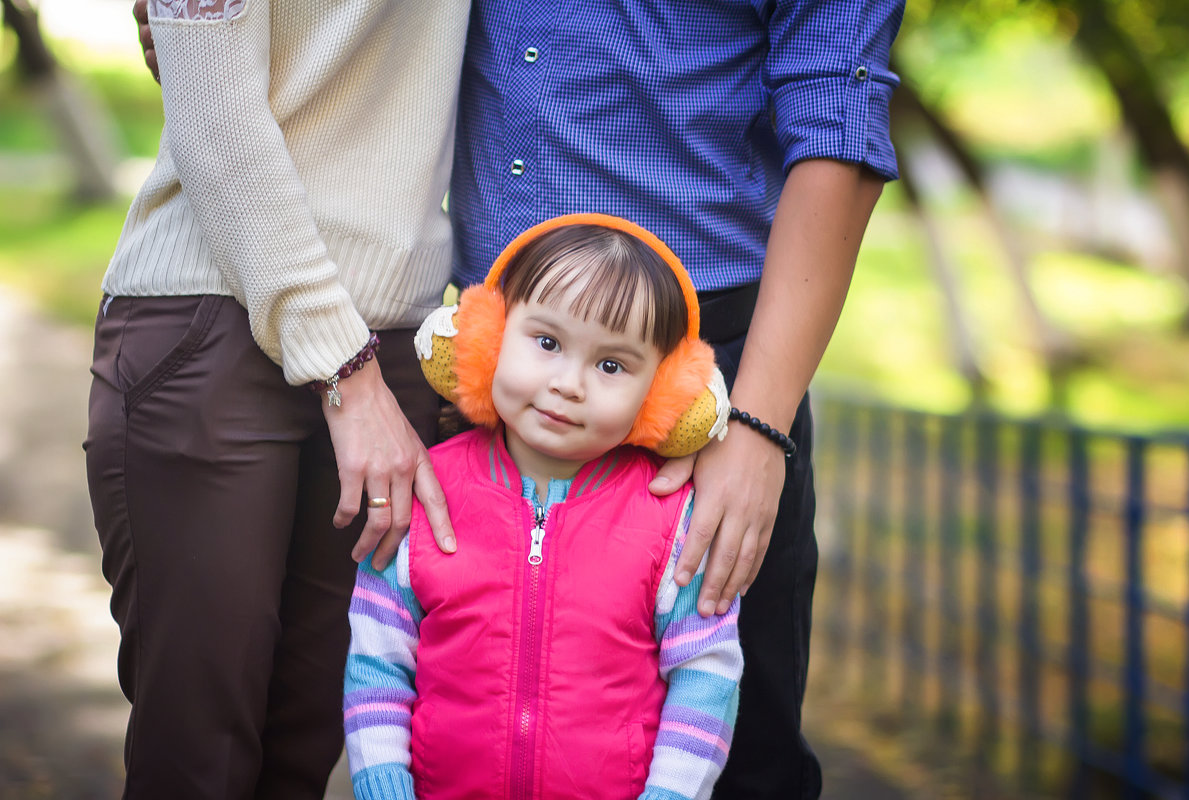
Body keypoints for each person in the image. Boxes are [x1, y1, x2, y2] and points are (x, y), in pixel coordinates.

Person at [448, 2, 905, 796]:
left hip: (707, 385)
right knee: (470, 731)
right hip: (488, 361)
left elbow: (840, 117)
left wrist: (757, 426)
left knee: (733, 752)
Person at [87, 1, 469, 797]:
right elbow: (215, 122)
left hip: (394, 338)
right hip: (213, 316)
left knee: (303, 752)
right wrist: (347, 369)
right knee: (199, 759)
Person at [343, 215, 743, 800]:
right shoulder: (427, 490)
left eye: (612, 365)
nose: (569, 384)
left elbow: (706, 674)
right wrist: (383, 787)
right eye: (548, 343)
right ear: (487, 340)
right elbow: (377, 664)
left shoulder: (673, 521)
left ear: (662, 396)